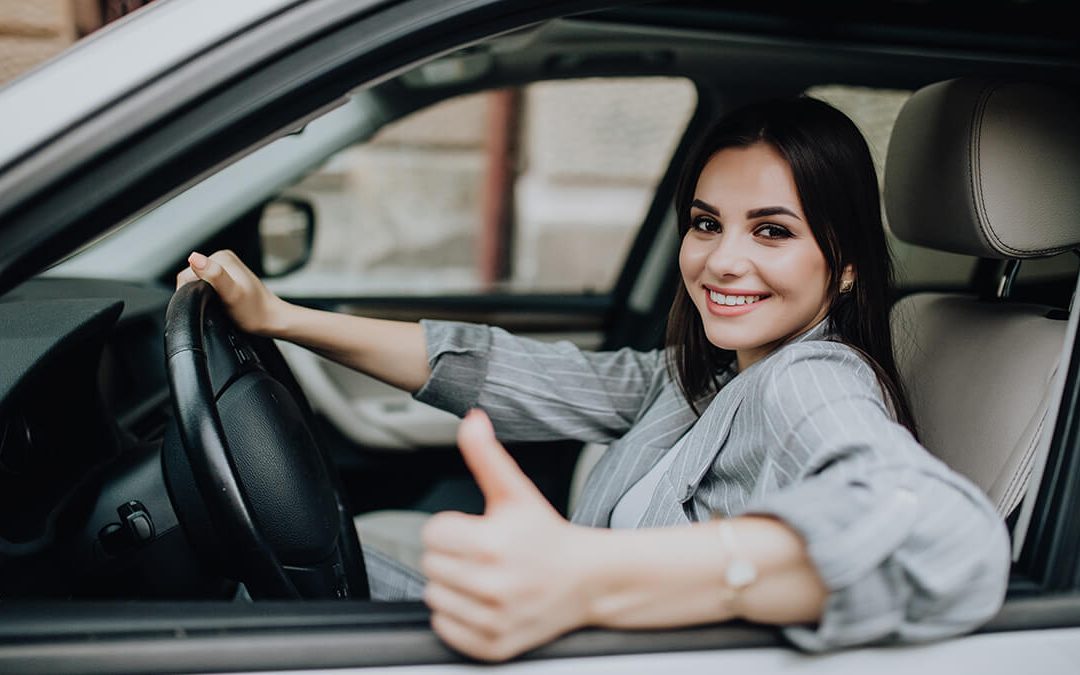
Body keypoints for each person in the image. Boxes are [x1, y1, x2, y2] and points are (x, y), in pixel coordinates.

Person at [176, 95, 1010, 662]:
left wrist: (588, 573)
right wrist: (283, 318)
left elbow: (943, 536)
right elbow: (508, 372)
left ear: (849, 264)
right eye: (707, 224)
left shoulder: (812, 381)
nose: (724, 260)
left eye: (772, 231)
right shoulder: (703, 376)